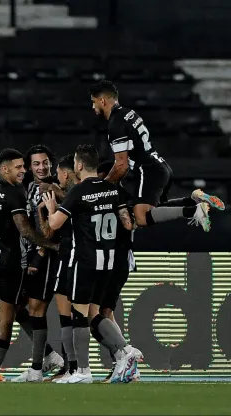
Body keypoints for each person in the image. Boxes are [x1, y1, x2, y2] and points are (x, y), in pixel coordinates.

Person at [0, 145, 65, 381]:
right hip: (16, 260)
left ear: (51, 163)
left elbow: (54, 226)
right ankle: (41, 360)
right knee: (17, 312)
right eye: (35, 164)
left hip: (35, 258)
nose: (41, 167)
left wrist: (42, 252)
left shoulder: (52, 189)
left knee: (32, 310)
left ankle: (40, 367)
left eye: (45, 163)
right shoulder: (21, 186)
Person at [43, 144, 142, 384]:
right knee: (95, 313)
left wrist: (50, 208)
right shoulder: (111, 190)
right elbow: (128, 224)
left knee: (80, 315)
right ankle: (123, 351)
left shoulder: (79, 191)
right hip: (108, 262)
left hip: (85, 260)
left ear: (78, 165)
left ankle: (85, 370)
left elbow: (54, 224)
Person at [89, 80, 225, 232]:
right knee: (156, 210)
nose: (93, 107)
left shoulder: (116, 124)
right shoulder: (128, 113)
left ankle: (195, 210)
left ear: (102, 100)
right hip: (160, 166)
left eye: (94, 102)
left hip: (148, 170)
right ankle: (193, 200)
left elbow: (122, 165)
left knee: (141, 217)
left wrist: (102, 186)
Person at [36, 154, 81, 381]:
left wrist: (49, 208)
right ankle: (73, 368)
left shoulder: (74, 194)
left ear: (65, 173)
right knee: (81, 316)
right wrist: (45, 209)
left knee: (71, 317)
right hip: (83, 258)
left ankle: (73, 368)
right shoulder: (84, 192)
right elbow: (48, 232)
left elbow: (49, 230)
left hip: (69, 257)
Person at [95, 160, 138, 382]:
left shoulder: (113, 195)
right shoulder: (123, 195)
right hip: (117, 260)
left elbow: (128, 225)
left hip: (114, 260)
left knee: (100, 313)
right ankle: (123, 361)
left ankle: (124, 356)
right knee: (105, 312)